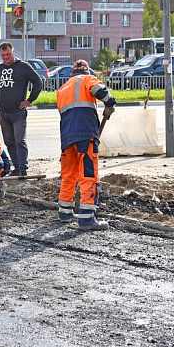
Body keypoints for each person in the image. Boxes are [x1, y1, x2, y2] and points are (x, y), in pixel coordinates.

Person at [56, 59, 116, 231]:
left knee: (69, 175)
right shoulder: (87, 79)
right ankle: (87, 218)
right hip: (86, 135)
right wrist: (110, 104)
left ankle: (65, 212)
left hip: (67, 138)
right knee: (89, 174)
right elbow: (102, 92)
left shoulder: (62, 89)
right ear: (87, 71)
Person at [0, 42, 42, 177]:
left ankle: (22, 169)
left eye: (8, 54)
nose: (6, 57)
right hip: (3, 112)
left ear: (13, 51)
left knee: (20, 140)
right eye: (3, 55)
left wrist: (29, 100)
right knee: (9, 141)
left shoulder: (23, 67)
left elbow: (38, 82)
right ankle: (16, 167)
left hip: (18, 112)